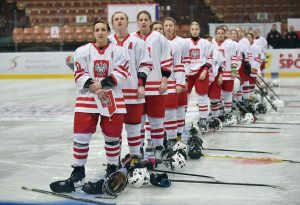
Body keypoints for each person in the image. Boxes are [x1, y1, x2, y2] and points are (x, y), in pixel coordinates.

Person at [49, 20, 129, 193]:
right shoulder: (82, 51)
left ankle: (112, 168)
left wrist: (103, 84)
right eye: (97, 30)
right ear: (93, 32)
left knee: (112, 136)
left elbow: (122, 72)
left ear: (108, 32)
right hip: (88, 98)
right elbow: (79, 72)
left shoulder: (119, 51)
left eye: (103, 30)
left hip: (112, 99)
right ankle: (78, 171)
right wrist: (93, 85)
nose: (100, 32)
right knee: (81, 135)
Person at [109, 11, 152, 166]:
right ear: (112, 23)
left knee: (134, 129)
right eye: (116, 19)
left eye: (122, 18)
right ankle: (114, 162)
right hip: (113, 94)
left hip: (133, 92)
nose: (119, 21)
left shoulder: (138, 42)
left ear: (128, 22)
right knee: (113, 131)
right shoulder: (107, 42)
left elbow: (146, 64)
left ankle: (135, 159)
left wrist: (141, 85)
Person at [136, 10, 172, 161]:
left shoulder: (158, 37)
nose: (143, 22)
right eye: (141, 19)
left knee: (156, 120)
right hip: (138, 88)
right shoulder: (132, 39)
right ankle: (138, 149)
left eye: (146, 19)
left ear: (150, 22)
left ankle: (158, 147)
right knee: (139, 121)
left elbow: (166, 59)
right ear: (137, 22)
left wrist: (165, 80)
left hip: (157, 85)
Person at [161, 18, 186, 146]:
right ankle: (162, 138)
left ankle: (176, 136)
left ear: (174, 26)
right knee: (160, 114)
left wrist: (180, 82)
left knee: (175, 111)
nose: (168, 27)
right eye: (166, 25)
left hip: (173, 82)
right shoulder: (156, 43)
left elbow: (180, 64)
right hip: (158, 84)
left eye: (171, 25)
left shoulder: (179, 43)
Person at [185, 21, 213, 131]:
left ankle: (203, 119)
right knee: (184, 97)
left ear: (199, 30)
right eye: (192, 29)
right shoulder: (185, 42)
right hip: (187, 72)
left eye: (196, 29)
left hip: (201, 72)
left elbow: (211, 57)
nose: (194, 31)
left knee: (202, 96)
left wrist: (205, 70)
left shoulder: (205, 43)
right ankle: (181, 119)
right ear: (190, 30)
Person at [212, 26, 239, 125]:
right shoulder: (211, 43)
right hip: (216, 74)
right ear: (216, 34)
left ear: (225, 34)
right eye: (218, 33)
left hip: (227, 74)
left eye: (222, 33)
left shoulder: (230, 44)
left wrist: (233, 70)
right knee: (215, 96)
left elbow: (234, 57)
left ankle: (227, 114)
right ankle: (217, 116)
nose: (220, 35)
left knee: (227, 95)